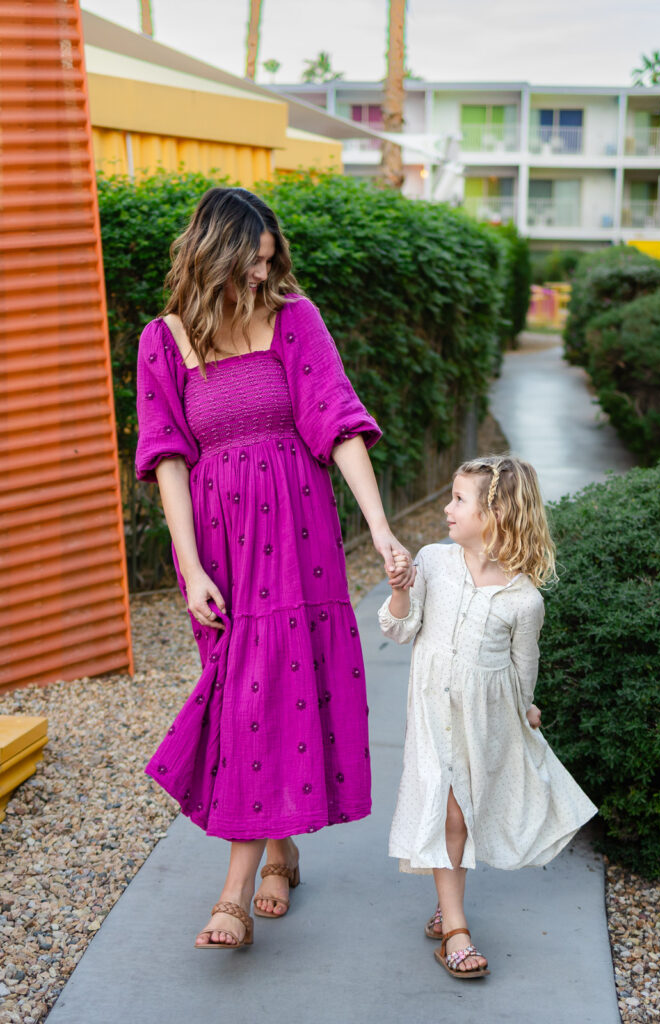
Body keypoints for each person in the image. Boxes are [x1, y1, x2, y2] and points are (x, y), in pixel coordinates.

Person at [135, 186, 415, 950]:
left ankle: (231, 892)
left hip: (298, 537)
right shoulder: (162, 341)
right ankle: (280, 848)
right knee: (242, 698)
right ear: (213, 255)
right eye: (249, 266)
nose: (261, 279)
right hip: (221, 545)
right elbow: (165, 459)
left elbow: (337, 420)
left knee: (272, 694)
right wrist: (189, 568)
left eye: (267, 265)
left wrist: (381, 529)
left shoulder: (296, 319)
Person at [378, 455, 597, 980]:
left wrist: (526, 706)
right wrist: (402, 588)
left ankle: (446, 905)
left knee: (461, 815)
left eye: (459, 500)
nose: (447, 508)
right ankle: (455, 928)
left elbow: (525, 667)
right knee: (450, 811)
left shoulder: (524, 600)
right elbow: (399, 630)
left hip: (484, 722)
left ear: (495, 512)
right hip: (431, 713)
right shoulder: (432, 560)